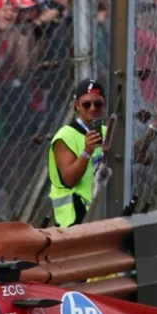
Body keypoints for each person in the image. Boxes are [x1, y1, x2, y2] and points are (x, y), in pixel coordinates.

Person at [47, 78, 108, 228]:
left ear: (104, 104)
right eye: (86, 104)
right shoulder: (65, 136)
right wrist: (87, 152)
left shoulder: (107, 132)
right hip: (75, 220)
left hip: (103, 214)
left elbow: (137, 154)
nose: (93, 108)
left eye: (97, 103)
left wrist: (154, 129)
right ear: (77, 106)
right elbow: (69, 179)